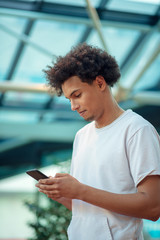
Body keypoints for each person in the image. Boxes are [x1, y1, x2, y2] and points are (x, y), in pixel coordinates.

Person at [36, 43, 160, 240]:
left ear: (100, 83)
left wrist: (81, 191)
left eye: (77, 95)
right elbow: (89, 208)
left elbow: (153, 207)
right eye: (69, 99)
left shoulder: (137, 130)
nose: (73, 106)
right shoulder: (82, 136)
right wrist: (64, 194)